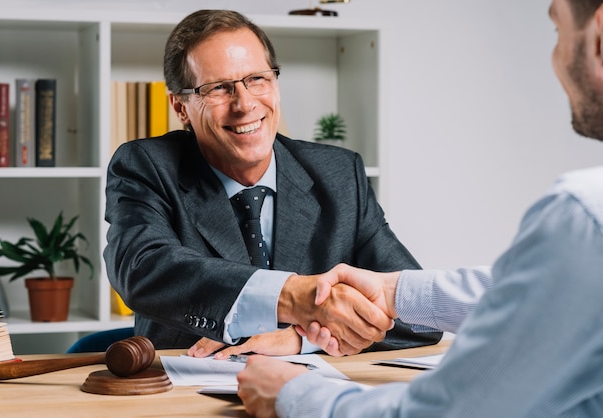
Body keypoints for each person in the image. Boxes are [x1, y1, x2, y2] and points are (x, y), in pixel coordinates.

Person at [236, 0, 603, 416]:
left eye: (557, 32)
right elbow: (542, 300)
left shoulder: (585, 217)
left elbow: (450, 411)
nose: (554, 58)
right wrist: (395, 293)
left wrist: (293, 395)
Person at [103, 9, 441, 357]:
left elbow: (420, 314)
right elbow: (142, 268)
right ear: (181, 107)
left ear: (275, 84)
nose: (245, 104)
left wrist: (301, 339)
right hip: (188, 393)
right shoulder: (147, 166)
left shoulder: (340, 174)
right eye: (219, 88)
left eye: (257, 79)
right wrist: (292, 296)